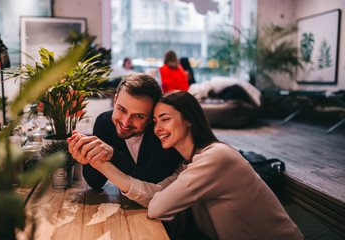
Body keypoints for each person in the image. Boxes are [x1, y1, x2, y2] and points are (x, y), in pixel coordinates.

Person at [68, 90, 303, 240]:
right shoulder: (187, 163)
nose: (157, 128)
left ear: (189, 120)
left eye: (166, 119)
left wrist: (109, 160)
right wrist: (100, 164)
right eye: (155, 121)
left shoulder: (215, 158)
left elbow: (158, 206)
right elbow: (157, 193)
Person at [72, 73, 182, 191]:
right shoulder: (104, 123)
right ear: (115, 101)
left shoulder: (161, 133)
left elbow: (151, 182)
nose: (125, 123)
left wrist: (112, 154)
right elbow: (95, 183)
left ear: (151, 118)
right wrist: (88, 157)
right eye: (121, 109)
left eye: (138, 116)